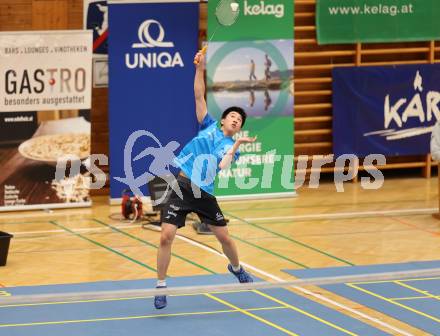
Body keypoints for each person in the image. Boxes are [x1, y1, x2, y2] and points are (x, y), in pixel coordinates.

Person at [154, 51, 256, 309]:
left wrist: (235, 147)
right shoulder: (207, 124)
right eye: (233, 116)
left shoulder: (231, 147)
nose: (236, 119)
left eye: (240, 120)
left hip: (204, 194)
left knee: (226, 239)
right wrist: (200, 68)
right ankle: (161, 286)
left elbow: (222, 165)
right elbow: (199, 95)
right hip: (181, 185)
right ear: (223, 119)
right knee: (166, 236)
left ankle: (236, 268)